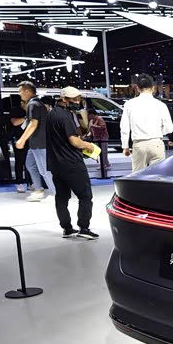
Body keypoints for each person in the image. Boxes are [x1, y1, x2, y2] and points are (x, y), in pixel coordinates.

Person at [46, 87, 99, 240]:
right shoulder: (65, 116)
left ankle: (67, 228)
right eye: (73, 99)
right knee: (85, 195)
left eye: (78, 98)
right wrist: (89, 146)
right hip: (71, 162)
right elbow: (74, 141)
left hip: (56, 163)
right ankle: (84, 227)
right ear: (64, 99)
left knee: (62, 197)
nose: (77, 101)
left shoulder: (51, 114)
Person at [121, 73, 173, 172]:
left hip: (139, 144)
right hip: (156, 143)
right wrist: (159, 132)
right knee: (157, 176)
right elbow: (169, 128)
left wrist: (125, 146)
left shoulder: (129, 104)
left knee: (138, 176)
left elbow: (124, 127)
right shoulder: (161, 105)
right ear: (153, 88)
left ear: (137, 88)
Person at [15, 81, 55, 202]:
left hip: (40, 143)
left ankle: (56, 194)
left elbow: (33, 124)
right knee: (30, 165)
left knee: (44, 170)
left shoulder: (33, 104)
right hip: (35, 143)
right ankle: (38, 190)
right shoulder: (37, 104)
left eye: (21, 91)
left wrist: (22, 140)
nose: (20, 94)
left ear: (27, 91)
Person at [84, 108, 109, 177]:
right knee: (100, 151)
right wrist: (87, 135)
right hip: (96, 138)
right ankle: (106, 163)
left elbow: (103, 127)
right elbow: (90, 130)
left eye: (88, 115)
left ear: (92, 114)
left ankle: (103, 164)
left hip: (102, 137)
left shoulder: (99, 118)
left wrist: (94, 126)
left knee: (103, 151)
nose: (88, 116)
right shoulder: (91, 121)